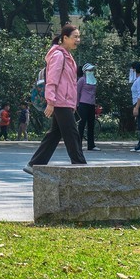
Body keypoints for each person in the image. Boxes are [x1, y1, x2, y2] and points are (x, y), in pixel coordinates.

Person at [24, 24, 87, 173]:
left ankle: (33, 164)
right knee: (72, 133)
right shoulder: (59, 56)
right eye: (75, 37)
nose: (78, 40)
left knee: (55, 134)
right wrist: (51, 102)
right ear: (65, 38)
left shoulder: (67, 55)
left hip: (65, 101)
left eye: (79, 36)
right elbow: (52, 80)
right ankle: (80, 165)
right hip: (60, 101)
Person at [77, 62, 100, 151]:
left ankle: (91, 145)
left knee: (91, 125)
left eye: (92, 70)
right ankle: (78, 145)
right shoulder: (82, 80)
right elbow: (77, 92)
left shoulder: (94, 80)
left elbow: (94, 93)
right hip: (83, 104)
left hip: (91, 105)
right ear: (85, 71)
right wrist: (77, 104)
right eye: (89, 70)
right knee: (81, 125)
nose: (91, 71)